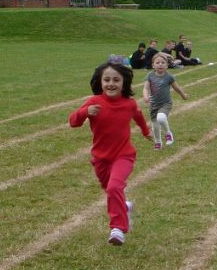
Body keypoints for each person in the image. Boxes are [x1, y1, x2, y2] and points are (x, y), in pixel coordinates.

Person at [69, 61, 151, 245]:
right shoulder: (94, 102)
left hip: (124, 155)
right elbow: (73, 122)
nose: (111, 83)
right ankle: (124, 207)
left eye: (116, 80)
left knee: (114, 188)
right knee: (111, 190)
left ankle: (118, 229)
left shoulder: (128, 104)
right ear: (100, 82)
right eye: (106, 80)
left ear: (124, 83)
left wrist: (146, 132)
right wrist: (85, 112)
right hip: (101, 158)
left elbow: (138, 116)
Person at [143, 52, 189, 149]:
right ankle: (158, 142)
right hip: (153, 105)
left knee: (161, 118)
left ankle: (168, 133)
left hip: (165, 104)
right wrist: (146, 97)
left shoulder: (169, 77)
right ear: (153, 65)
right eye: (158, 62)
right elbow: (146, 88)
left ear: (167, 65)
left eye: (163, 62)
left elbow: (177, 88)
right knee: (155, 126)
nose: (160, 64)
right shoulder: (150, 76)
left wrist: (183, 95)